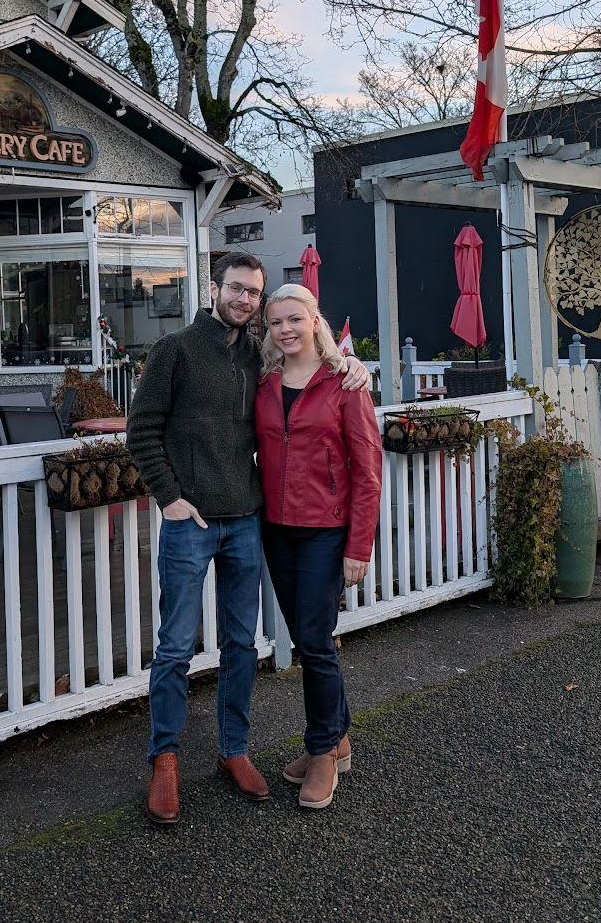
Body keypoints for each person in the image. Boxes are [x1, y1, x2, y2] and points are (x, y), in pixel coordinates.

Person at [126, 252, 370, 825]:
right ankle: (164, 759)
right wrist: (170, 498)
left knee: (242, 645)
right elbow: (142, 431)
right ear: (215, 289)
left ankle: (234, 749)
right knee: (175, 646)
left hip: (248, 522)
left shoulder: (260, 362)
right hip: (192, 524)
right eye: (235, 288)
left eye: (252, 293)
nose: (244, 300)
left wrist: (352, 366)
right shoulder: (176, 351)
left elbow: (318, 383)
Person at [254, 283, 382, 810]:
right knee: (309, 640)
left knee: (314, 637)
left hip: (326, 532)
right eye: (275, 322)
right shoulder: (262, 383)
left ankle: (322, 752)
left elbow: (368, 472)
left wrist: (359, 547)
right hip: (277, 529)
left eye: (294, 320)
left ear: (314, 322)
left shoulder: (345, 385)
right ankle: (336, 737)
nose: (285, 330)